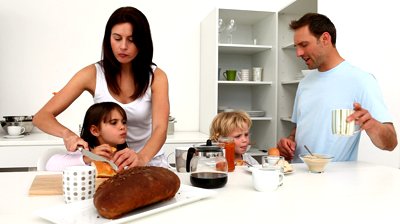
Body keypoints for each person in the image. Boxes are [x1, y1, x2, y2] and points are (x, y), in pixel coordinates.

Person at [33, 6, 170, 169]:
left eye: (131, 40)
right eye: (117, 38)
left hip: (149, 161)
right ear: (108, 39)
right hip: (108, 163)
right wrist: (67, 135)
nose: (123, 46)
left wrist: (141, 157)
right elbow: (41, 117)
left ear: (143, 42)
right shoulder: (92, 74)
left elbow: (160, 128)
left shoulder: (157, 77)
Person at [277, 13, 397, 162]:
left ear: (325, 39)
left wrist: (371, 124)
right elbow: (299, 129)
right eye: (296, 47)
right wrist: (289, 142)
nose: (298, 53)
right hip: (298, 177)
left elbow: (391, 143)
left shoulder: (361, 80)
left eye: (304, 45)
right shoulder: (304, 83)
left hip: (337, 183)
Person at [46, 102, 128, 171]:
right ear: (95, 131)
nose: (122, 127)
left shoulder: (126, 155)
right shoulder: (83, 152)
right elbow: (51, 165)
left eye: (124, 122)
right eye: (113, 122)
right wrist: (87, 158)